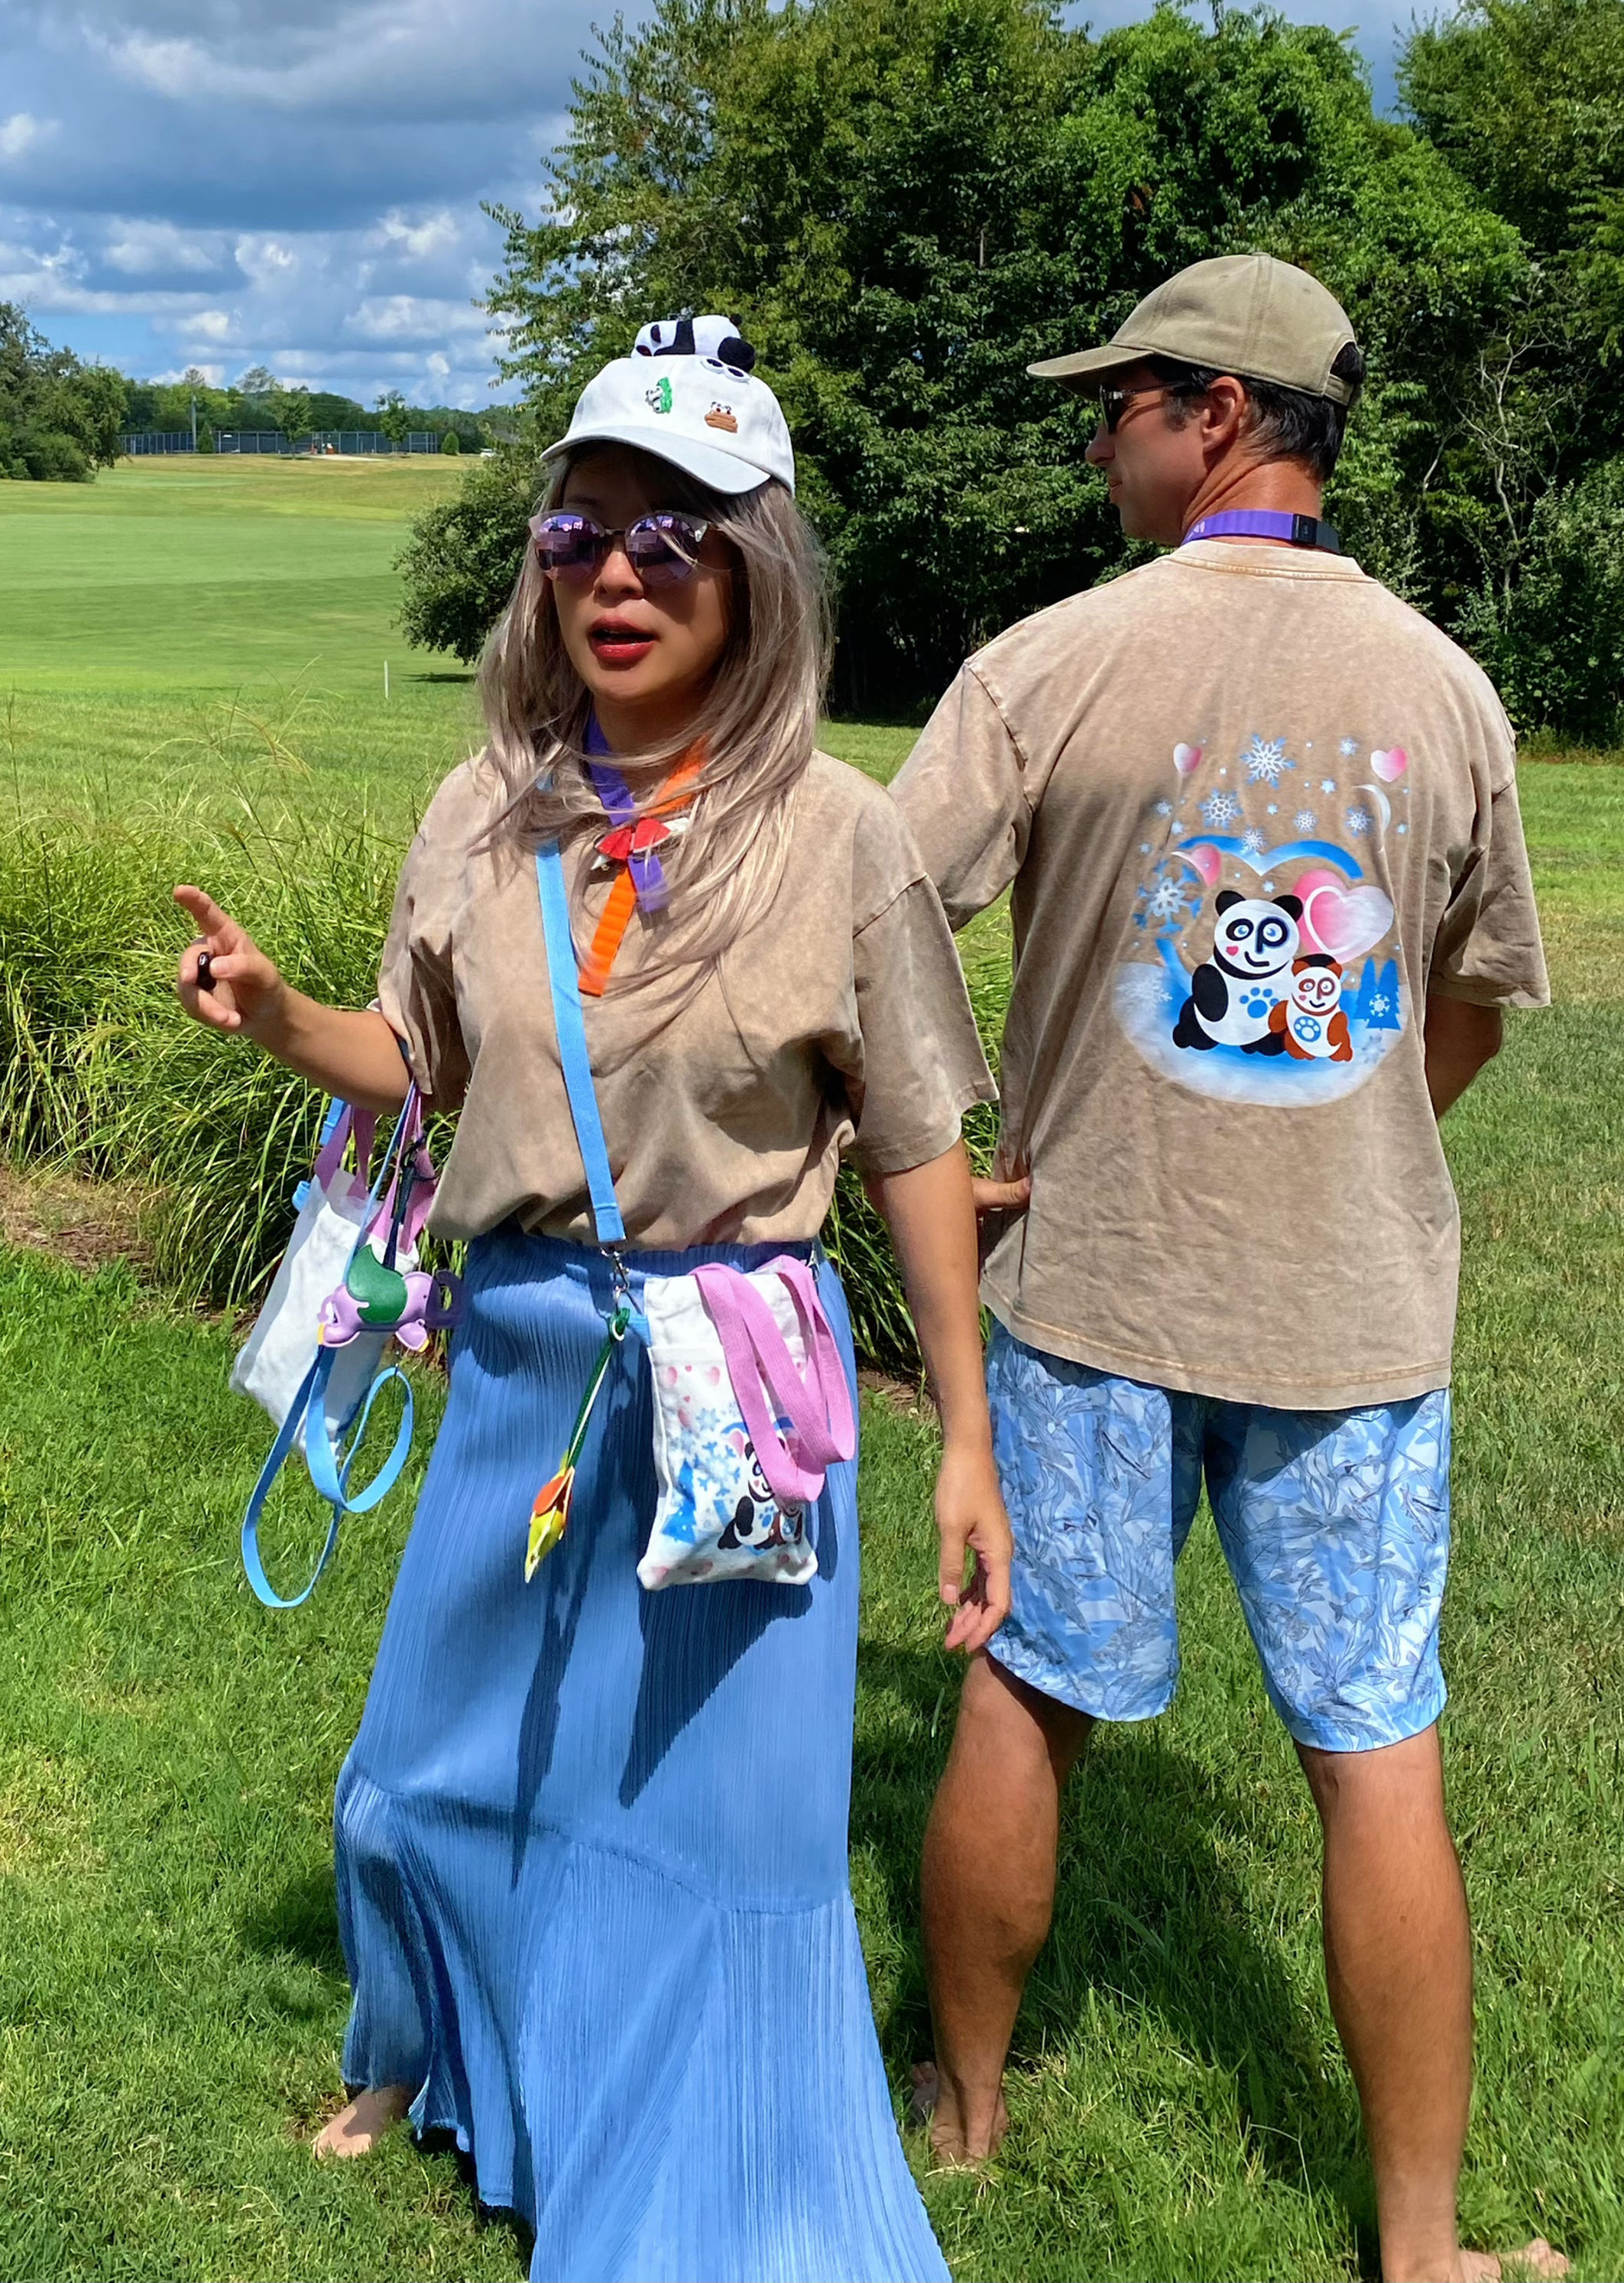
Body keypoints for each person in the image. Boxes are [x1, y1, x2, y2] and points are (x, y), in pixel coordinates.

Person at [173, 313, 1012, 2283]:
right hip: (524, 1361)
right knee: (435, 1761)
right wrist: (283, 1015)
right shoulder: (482, 812)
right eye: (583, 531)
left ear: (758, 572)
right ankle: (448, 2051)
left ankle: (705, 2170)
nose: (619, 573)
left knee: (721, 1829)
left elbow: (911, 1152)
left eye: (677, 535)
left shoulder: (842, 836)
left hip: (739, 1388)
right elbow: (430, 1063)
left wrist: (966, 1436)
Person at [890, 255, 1566, 2283]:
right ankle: (1426, 2249)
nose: (1098, 439)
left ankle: (969, 2119)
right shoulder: (1447, 691)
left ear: (1214, 414)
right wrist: (1345, 1145)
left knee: (1024, 1705)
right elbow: (1470, 1013)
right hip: (1354, 1315)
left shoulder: (1050, 666)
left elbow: (877, 919)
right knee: (1376, 1748)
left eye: (1118, 405)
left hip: (1095, 1288)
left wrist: (955, 1144)